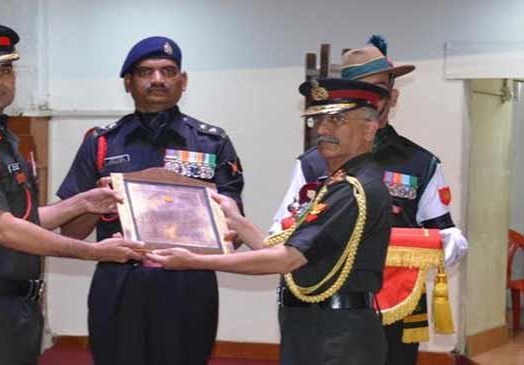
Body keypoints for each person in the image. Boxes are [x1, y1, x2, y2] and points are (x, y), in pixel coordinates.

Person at [0, 23, 142, 365]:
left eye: (5, 70)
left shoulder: (2, 141)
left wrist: (81, 202)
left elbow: (24, 219)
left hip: (15, 309)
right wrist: (91, 251)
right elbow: (3, 229)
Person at [149, 78, 392, 365]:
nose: (323, 130)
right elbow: (283, 248)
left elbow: (285, 260)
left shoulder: (354, 189)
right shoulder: (336, 184)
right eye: (318, 120)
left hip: (339, 335)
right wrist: (236, 219)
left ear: (369, 128)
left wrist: (193, 261)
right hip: (317, 326)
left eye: (336, 119)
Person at [270, 36, 469, 365]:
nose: (375, 99)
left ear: (394, 96)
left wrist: (444, 244)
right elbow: (281, 227)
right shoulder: (313, 163)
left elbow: (444, 232)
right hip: (328, 301)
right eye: (363, 90)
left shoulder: (421, 163)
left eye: (381, 89)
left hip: (397, 300)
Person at [57, 36, 244, 365]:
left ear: (182, 81)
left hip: (188, 282)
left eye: (168, 71)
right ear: (128, 83)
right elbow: (70, 234)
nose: (158, 80)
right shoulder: (101, 143)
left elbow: (236, 232)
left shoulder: (211, 142)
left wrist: (215, 224)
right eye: (145, 72)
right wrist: (94, 204)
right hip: (119, 282)